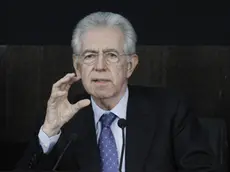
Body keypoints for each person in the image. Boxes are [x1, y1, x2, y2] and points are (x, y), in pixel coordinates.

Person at [17, 11, 217, 172]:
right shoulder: (61, 120)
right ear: (78, 67)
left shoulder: (170, 110)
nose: (100, 66)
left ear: (130, 65)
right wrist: (49, 132)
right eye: (89, 56)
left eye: (111, 55)